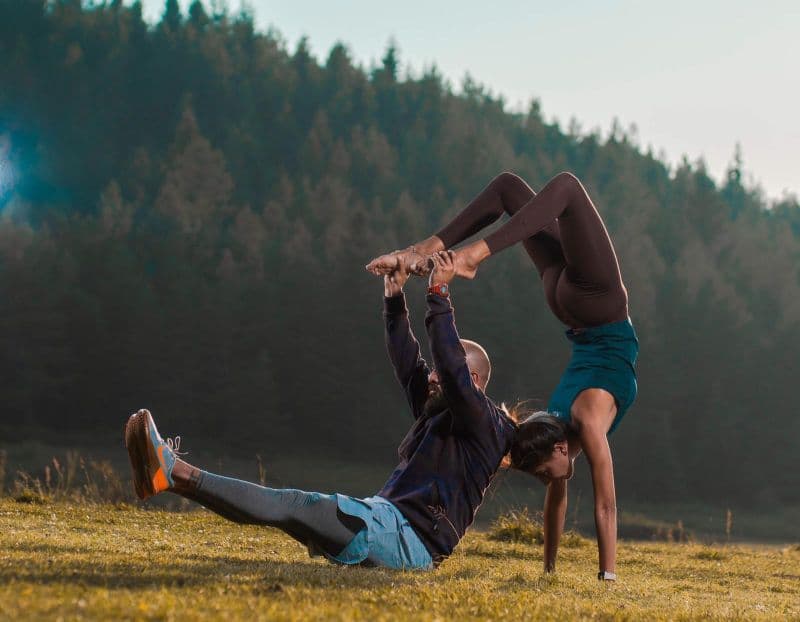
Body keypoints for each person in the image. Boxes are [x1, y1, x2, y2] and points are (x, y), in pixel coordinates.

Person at [125, 251, 529, 570]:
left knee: (292, 506)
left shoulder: (484, 424)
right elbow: (409, 363)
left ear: (473, 380)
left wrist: (439, 294)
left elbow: (450, 367)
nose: (434, 376)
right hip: (386, 524)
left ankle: (174, 470)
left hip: (406, 541)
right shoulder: (441, 408)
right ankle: (169, 477)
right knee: (287, 513)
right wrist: (394, 296)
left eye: (445, 370)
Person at [366, 170, 639, 581]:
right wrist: (608, 578)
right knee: (564, 187)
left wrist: (549, 571)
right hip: (594, 307)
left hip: (584, 308)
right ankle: (471, 255)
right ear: (560, 450)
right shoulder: (580, 425)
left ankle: (423, 250)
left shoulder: (566, 427)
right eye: (547, 474)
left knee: (512, 189)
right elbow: (606, 505)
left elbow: (560, 499)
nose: (551, 480)